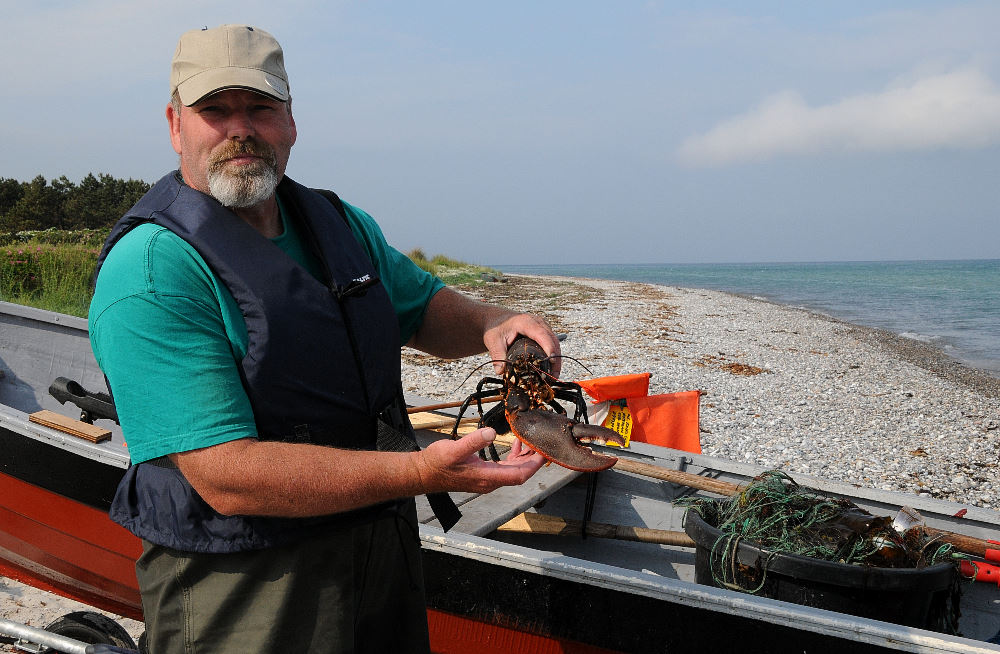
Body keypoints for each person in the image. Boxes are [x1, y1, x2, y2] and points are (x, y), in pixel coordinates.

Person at [89, 24, 559, 653]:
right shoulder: (152, 270)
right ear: (176, 126)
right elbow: (226, 476)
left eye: (260, 107)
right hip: (246, 583)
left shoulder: (341, 226)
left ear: (290, 121)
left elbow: (421, 309)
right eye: (215, 111)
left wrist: (488, 323)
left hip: (377, 554)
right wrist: (421, 471)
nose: (240, 128)